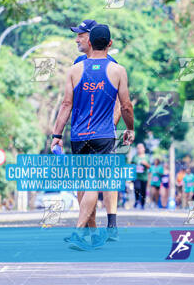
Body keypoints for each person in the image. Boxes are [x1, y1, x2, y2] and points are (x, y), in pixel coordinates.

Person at [52, 25, 134, 251]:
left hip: (78, 136)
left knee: (84, 184)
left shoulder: (74, 70)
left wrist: (56, 135)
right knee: (92, 185)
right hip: (103, 136)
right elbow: (126, 105)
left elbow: (66, 105)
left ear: (90, 42)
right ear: (109, 44)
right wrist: (130, 128)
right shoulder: (118, 70)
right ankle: (80, 232)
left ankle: (93, 233)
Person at [70, 19, 122, 241]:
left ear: (92, 38)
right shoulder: (78, 63)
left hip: (102, 132)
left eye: (81, 35)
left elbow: (121, 103)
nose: (77, 39)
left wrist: (107, 125)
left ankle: (110, 224)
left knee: (104, 179)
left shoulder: (112, 65)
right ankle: (90, 229)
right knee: (85, 182)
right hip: (81, 133)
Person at [132, 143, 150, 209]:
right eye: (138, 148)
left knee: (143, 191)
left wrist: (145, 164)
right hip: (136, 176)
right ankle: (137, 200)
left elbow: (149, 167)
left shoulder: (147, 157)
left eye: (140, 148)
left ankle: (142, 204)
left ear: (144, 149)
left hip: (144, 177)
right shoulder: (135, 157)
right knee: (137, 188)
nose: (139, 149)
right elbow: (131, 165)